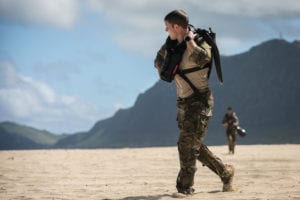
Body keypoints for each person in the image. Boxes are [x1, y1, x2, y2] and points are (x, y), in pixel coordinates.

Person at [154, 10, 234, 195]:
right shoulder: (170, 46)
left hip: (201, 101)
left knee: (186, 144)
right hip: (183, 103)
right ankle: (225, 173)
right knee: (193, 144)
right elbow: (158, 60)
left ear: (177, 27)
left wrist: (188, 41)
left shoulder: (200, 42)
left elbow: (203, 58)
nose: (166, 31)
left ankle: (184, 188)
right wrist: (162, 69)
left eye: (168, 27)